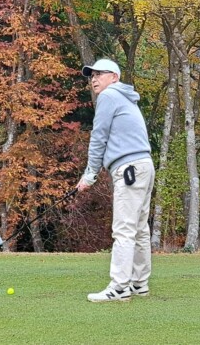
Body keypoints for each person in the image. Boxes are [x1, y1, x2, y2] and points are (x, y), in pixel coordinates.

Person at [77, 58, 155, 302]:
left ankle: (120, 287)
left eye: (100, 73)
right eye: (92, 75)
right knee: (140, 229)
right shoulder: (125, 99)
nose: (94, 78)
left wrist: (89, 174)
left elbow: (99, 136)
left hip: (130, 168)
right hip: (143, 166)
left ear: (115, 77)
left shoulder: (109, 96)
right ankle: (139, 283)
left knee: (124, 229)